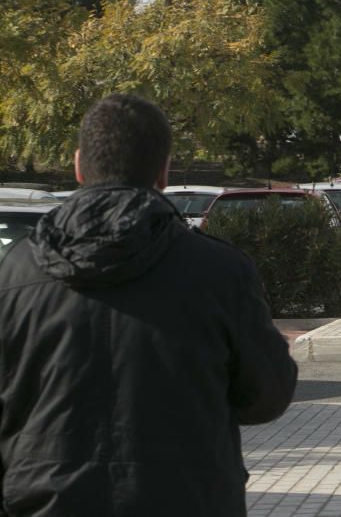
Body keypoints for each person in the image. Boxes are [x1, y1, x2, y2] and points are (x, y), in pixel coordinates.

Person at [0, 94, 298, 516]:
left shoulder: (14, 275)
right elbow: (266, 397)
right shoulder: (219, 272)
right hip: (188, 500)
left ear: (79, 165)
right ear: (163, 171)